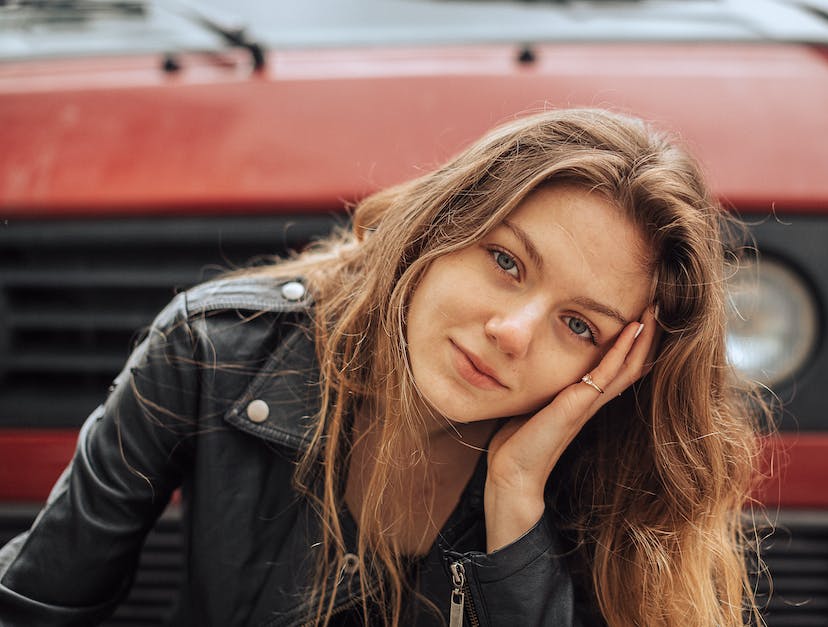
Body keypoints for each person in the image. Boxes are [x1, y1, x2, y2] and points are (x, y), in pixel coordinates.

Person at [0, 108, 763, 626]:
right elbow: (35, 604)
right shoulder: (215, 349)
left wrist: (516, 509)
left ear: (618, 363)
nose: (512, 332)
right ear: (440, 225)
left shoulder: (607, 475)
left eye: (578, 324)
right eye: (505, 260)